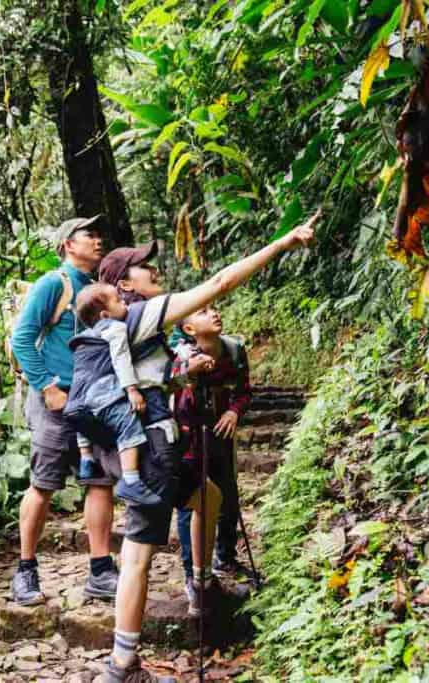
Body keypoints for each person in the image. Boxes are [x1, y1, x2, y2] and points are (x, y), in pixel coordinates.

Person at [97, 213, 319, 682]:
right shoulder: (139, 316)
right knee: (137, 556)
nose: (152, 269)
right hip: (153, 454)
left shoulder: (139, 332)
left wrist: (182, 376)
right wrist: (282, 243)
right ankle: (122, 664)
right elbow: (220, 282)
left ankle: (201, 582)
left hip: (162, 447)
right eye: (142, 266)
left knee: (209, 497)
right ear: (124, 285)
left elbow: (150, 378)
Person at [8, 216, 119, 607]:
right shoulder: (55, 283)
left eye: (97, 233)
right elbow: (22, 338)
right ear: (68, 245)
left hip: (95, 401)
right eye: (89, 234)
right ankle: (25, 571)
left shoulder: (100, 289)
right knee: (44, 483)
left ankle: (101, 570)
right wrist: (48, 387)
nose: (97, 239)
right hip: (57, 399)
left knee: (101, 481)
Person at [172, 306, 252, 586]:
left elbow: (243, 390)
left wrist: (233, 411)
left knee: (228, 496)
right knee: (193, 502)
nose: (215, 313)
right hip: (190, 438)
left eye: (216, 309)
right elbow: (179, 405)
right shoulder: (181, 358)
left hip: (221, 433)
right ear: (189, 329)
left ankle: (226, 558)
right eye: (204, 312)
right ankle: (191, 571)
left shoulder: (233, 350)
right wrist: (191, 379)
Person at [66, 283, 162, 507]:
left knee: (86, 423)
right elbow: (120, 358)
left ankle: (87, 460)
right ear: (105, 314)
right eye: (119, 300)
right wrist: (131, 389)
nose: (125, 303)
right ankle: (131, 481)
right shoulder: (115, 328)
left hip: (78, 398)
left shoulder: (83, 338)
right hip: (103, 392)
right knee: (128, 426)